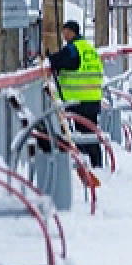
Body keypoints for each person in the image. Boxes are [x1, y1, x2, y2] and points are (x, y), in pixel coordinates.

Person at [48, 20, 104, 168]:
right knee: (90, 133)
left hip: (79, 100)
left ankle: (86, 165)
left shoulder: (73, 49)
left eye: (65, 31)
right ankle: (97, 164)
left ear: (72, 32)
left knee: (81, 135)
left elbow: (59, 60)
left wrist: (49, 58)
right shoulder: (88, 48)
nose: (63, 35)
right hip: (92, 97)